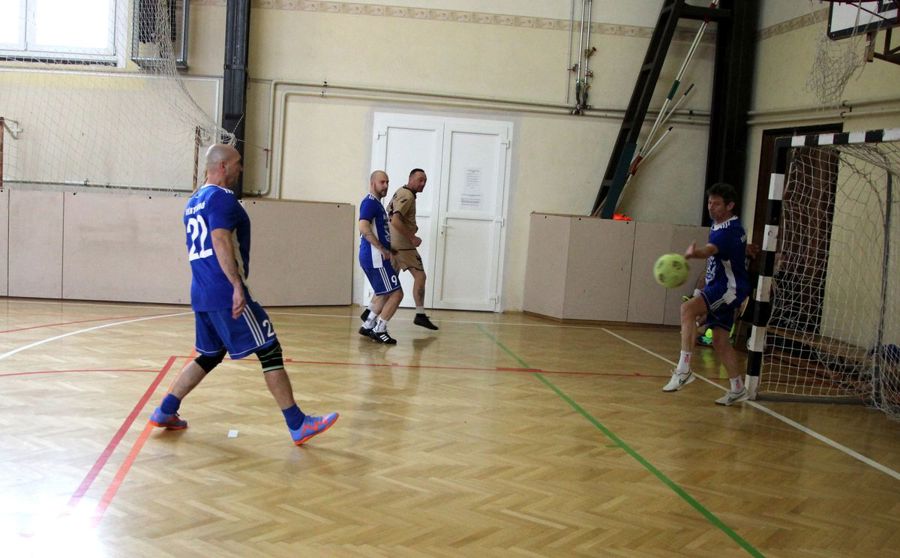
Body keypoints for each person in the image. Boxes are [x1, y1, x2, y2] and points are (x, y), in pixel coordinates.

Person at [148, 144, 339, 445]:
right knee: (269, 349)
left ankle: (165, 410)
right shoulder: (222, 198)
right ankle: (298, 423)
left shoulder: (193, 201)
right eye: (238, 163)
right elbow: (220, 239)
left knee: (209, 355)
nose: (241, 168)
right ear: (223, 166)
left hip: (202, 292)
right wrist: (237, 285)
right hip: (225, 290)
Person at [663, 182, 751, 405]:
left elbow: (710, 250)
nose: (711, 207)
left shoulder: (727, 232)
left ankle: (684, 371)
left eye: (717, 204)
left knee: (687, 309)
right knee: (720, 340)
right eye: (709, 202)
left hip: (728, 289)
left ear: (730, 205)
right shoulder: (723, 224)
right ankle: (738, 388)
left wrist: (694, 253)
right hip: (721, 285)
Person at [384, 168, 439, 330]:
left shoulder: (400, 191)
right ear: (411, 179)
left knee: (390, 280)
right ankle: (420, 314)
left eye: (425, 181)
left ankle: (370, 314)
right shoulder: (407, 195)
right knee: (420, 276)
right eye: (420, 180)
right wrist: (412, 237)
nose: (423, 184)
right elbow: (395, 220)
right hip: (402, 245)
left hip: (391, 242)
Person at [358, 170, 404, 344]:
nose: (385, 185)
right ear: (373, 183)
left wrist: (389, 249)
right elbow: (363, 227)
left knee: (384, 292)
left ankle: (368, 324)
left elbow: (379, 231)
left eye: (387, 182)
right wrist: (382, 249)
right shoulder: (369, 203)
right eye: (382, 182)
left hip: (376, 256)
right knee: (396, 294)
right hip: (375, 258)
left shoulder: (376, 204)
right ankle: (380, 329)